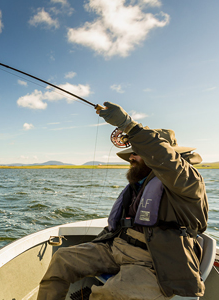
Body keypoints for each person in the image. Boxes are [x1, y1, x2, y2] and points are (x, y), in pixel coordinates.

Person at [37, 102, 209, 300]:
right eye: (132, 153)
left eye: (138, 153)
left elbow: (165, 158)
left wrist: (128, 125)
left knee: (109, 294)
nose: (132, 158)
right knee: (62, 259)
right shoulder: (139, 185)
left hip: (155, 261)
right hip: (116, 248)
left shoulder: (187, 181)